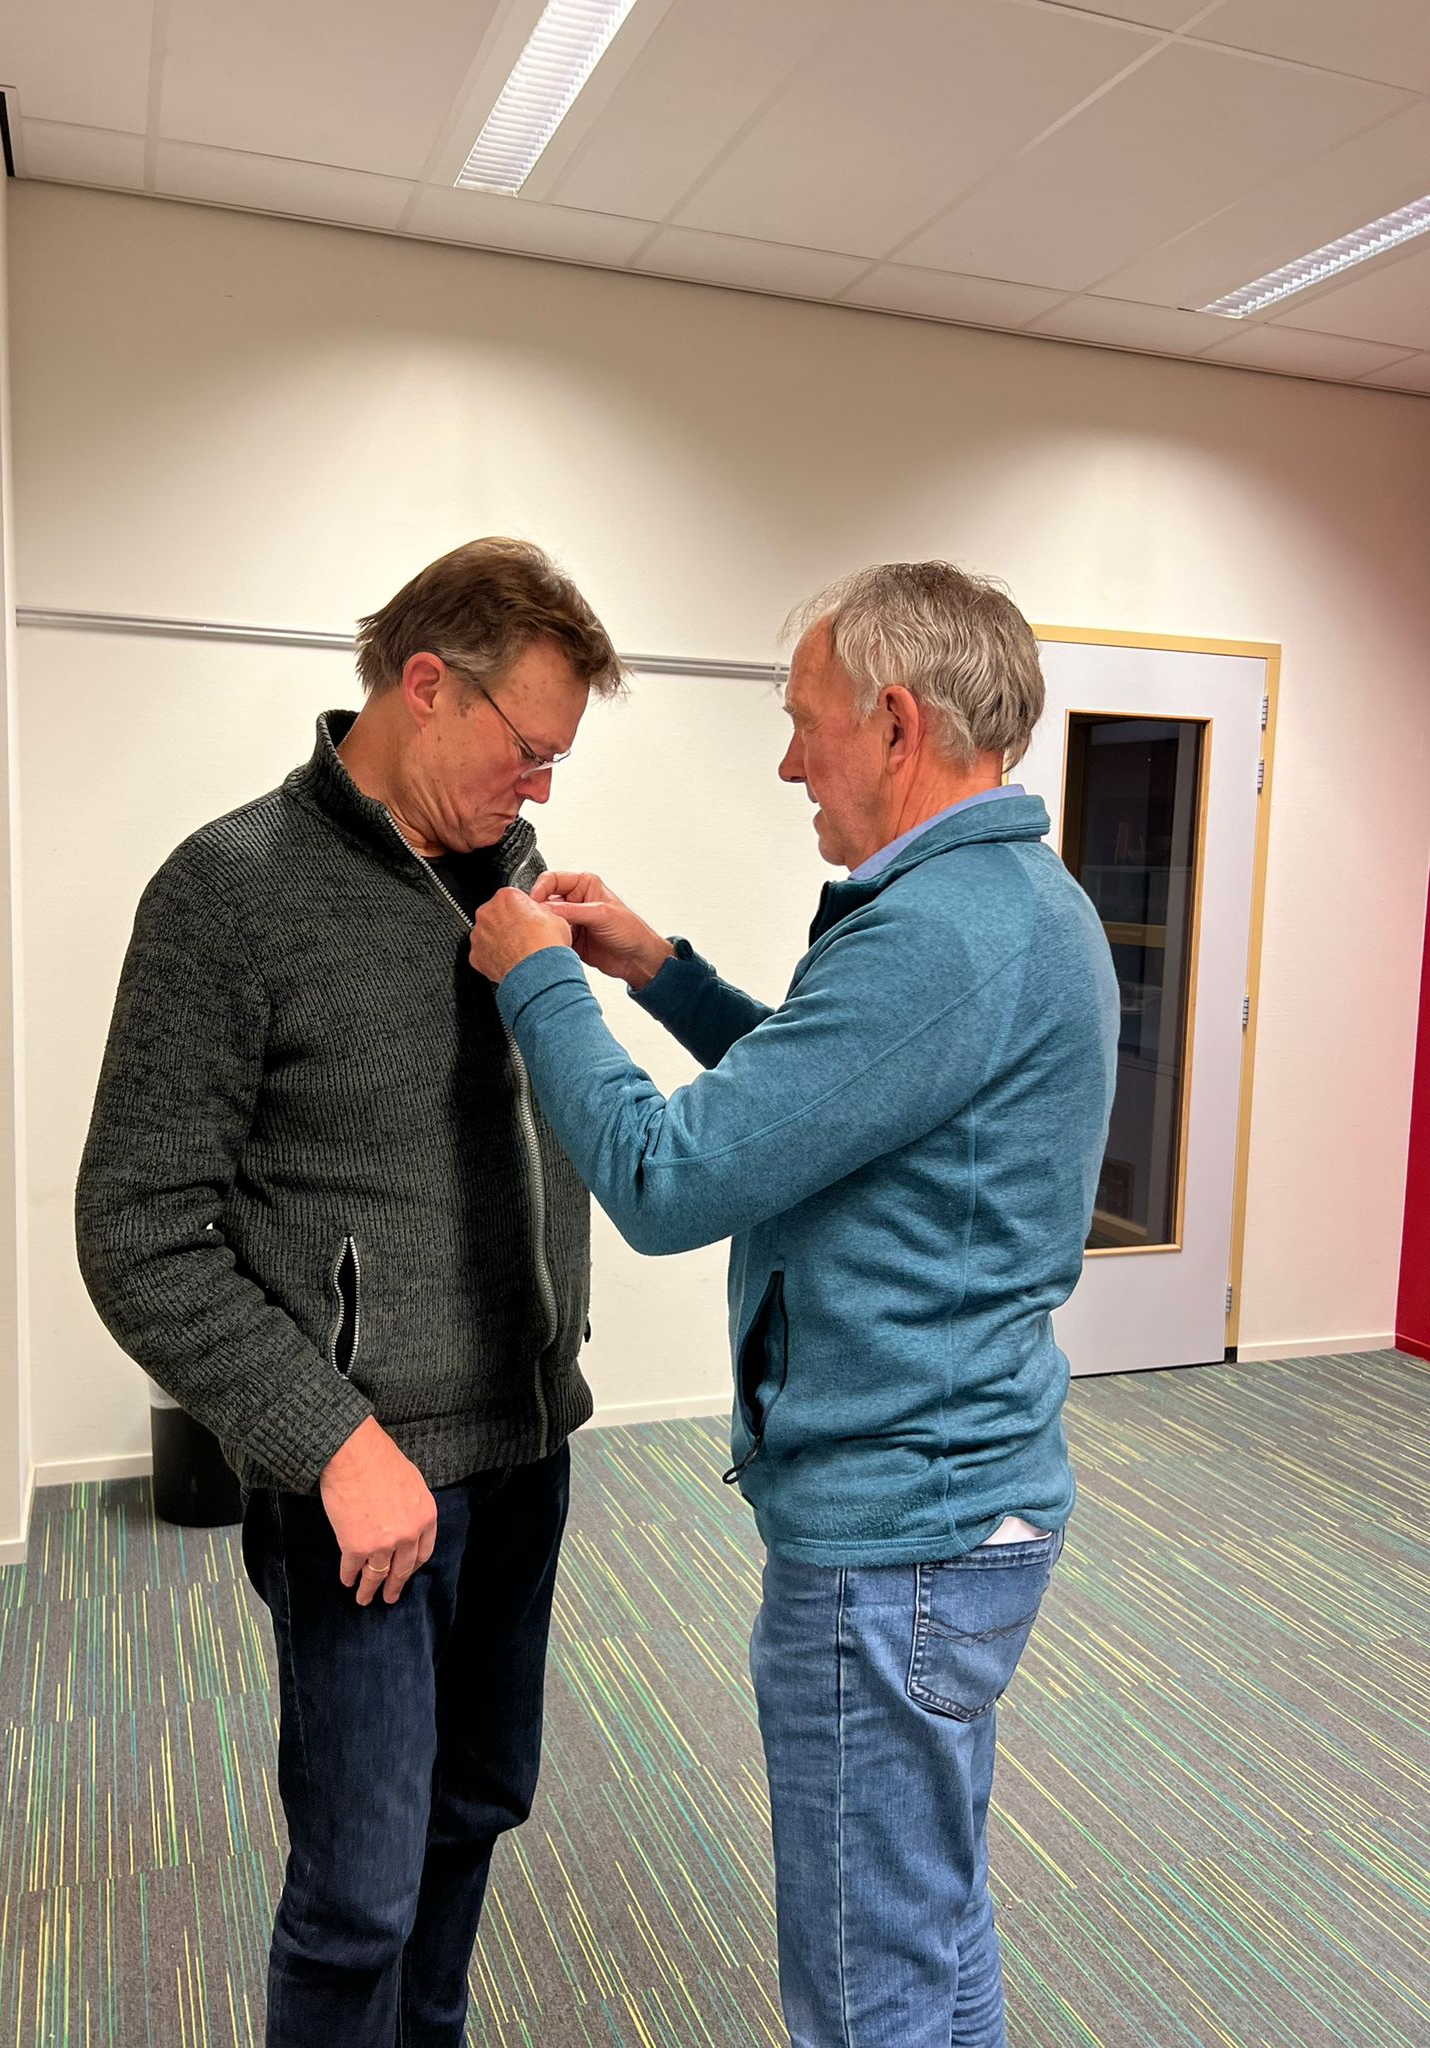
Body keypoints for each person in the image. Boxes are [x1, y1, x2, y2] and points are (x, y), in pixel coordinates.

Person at [468, 561, 1119, 2048]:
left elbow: (666, 1179)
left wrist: (539, 986)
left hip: (899, 1539)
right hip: (963, 1507)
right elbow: (841, 1100)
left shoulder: (940, 934)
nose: (786, 763)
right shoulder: (1017, 901)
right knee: (930, 1921)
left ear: (894, 724)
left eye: (802, 722)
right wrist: (660, 974)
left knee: (866, 1982)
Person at [76, 537, 624, 2048]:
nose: (541, 787)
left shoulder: (517, 890)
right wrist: (328, 1440)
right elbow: (138, 1231)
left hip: (525, 1451)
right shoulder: (230, 893)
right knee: (359, 1893)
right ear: (424, 686)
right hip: (365, 1490)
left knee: (476, 1813)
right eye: (528, 749)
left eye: (559, 761)